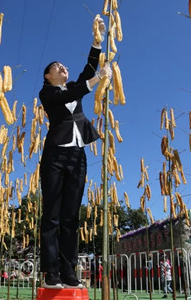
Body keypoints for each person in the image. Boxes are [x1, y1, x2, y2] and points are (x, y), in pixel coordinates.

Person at [39, 16, 111, 289]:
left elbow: (88, 69)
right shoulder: (47, 93)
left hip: (77, 157)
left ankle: (69, 273)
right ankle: (51, 273)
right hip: (55, 157)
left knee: (71, 216)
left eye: (65, 66)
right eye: (58, 67)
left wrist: (97, 42)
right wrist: (96, 80)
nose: (63, 68)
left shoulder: (74, 88)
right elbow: (69, 95)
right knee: (52, 216)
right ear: (49, 75)